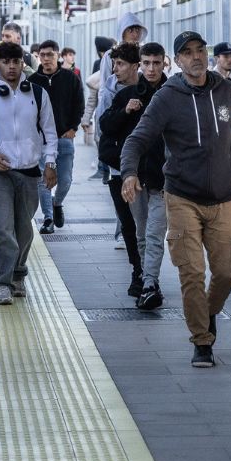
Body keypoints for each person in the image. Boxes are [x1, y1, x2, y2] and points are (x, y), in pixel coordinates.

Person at [120, 32, 231, 369]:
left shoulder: (225, 90)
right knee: (192, 272)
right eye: (187, 53)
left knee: (227, 272)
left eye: (200, 51)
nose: (196, 57)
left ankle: (207, 313)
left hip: (224, 198)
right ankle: (201, 341)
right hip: (181, 197)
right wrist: (129, 173)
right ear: (176, 61)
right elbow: (137, 139)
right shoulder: (167, 97)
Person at [0, 41, 57, 305]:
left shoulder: (38, 94)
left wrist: (50, 163)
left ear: (22, 65)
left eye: (16, 62)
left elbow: (50, 132)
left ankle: (18, 273)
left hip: (29, 171)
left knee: (24, 229)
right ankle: (2, 284)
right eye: (6, 62)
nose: (12, 67)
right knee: (4, 229)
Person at [99, 41, 171, 310]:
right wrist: (125, 110)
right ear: (140, 64)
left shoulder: (175, 92)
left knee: (154, 233)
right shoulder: (127, 94)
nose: (151, 68)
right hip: (135, 177)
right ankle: (145, 278)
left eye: (156, 63)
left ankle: (150, 282)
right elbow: (105, 127)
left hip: (165, 178)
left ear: (165, 63)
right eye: (147, 63)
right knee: (141, 232)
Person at [94, 42, 142, 284]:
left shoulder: (149, 89)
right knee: (127, 223)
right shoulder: (108, 93)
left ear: (136, 66)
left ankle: (148, 273)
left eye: (121, 64)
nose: (115, 69)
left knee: (147, 226)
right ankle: (138, 271)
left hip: (147, 170)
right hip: (117, 168)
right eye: (114, 64)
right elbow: (104, 127)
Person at [30, 40, 83, 234]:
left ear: (58, 55)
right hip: (41, 140)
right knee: (44, 180)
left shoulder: (70, 78)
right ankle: (48, 219)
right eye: (42, 55)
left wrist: (73, 128)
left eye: (49, 55)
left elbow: (79, 104)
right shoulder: (33, 81)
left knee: (65, 179)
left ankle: (57, 202)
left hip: (64, 137)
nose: (45, 59)